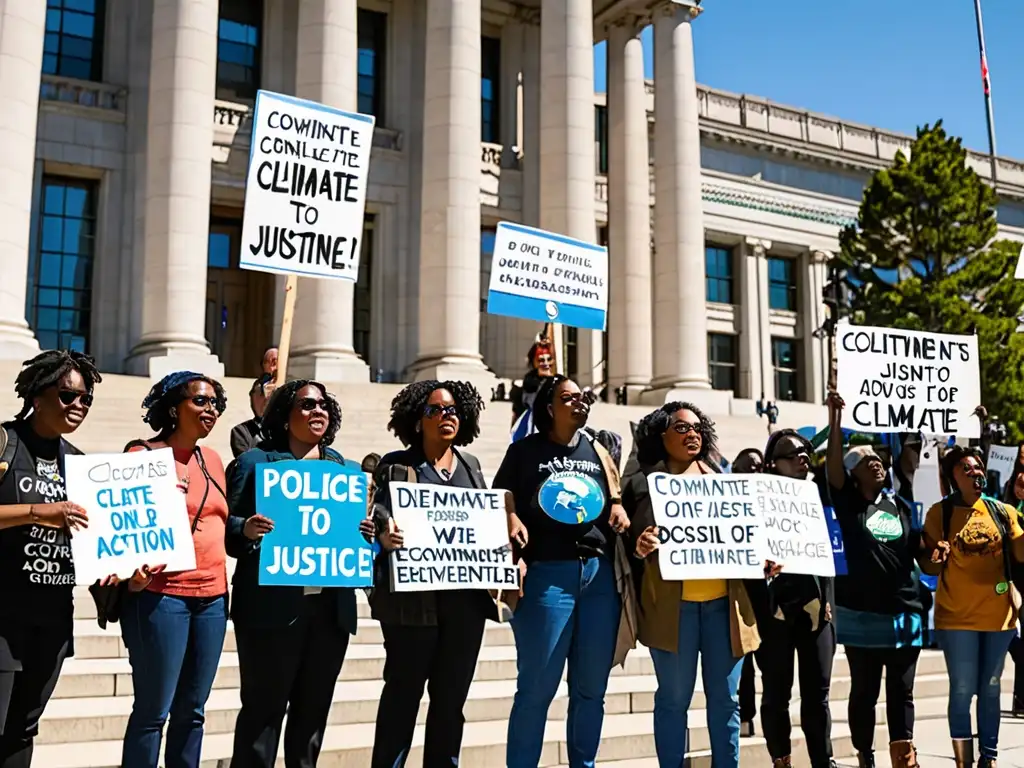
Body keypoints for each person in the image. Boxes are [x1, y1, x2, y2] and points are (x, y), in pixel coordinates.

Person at [493, 375, 636, 768]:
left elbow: (614, 496)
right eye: (568, 398)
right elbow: (502, 494)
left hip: (598, 577)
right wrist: (509, 516)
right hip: (547, 577)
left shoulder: (599, 451)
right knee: (536, 689)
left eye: (583, 397)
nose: (580, 402)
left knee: (591, 690)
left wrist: (618, 506)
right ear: (549, 408)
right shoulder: (523, 451)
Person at [227, 379, 372, 768]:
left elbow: (355, 538)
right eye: (307, 405)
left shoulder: (345, 471)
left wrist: (366, 534)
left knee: (312, 717)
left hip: (329, 613)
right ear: (285, 414)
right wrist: (246, 528)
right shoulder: (255, 463)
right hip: (270, 613)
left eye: (323, 404)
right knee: (263, 712)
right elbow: (228, 533)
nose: (317, 411)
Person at [367, 381, 497, 768]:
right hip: (411, 606)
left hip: (464, 605)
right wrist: (386, 529)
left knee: (450, 702)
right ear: (416, 420)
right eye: (434, 410)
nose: (446, 416)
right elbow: (376, 512)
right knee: (401, 699)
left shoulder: (471, 466)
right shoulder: (396, 465)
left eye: (453, 409)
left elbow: (482, 521)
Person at [623, 405, 761, 768]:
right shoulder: (645, 483)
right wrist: (640, 546)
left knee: (726, 700)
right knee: (672, 699)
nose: (692, 434)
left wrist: (762, 558)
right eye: (681, 427)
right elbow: (629, 543)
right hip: (673, 611)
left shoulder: (723, 480)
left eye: (698, 427)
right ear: (661, 435)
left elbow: (747, 540)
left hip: (724, 609)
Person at [119, 371, 230, 768]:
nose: (210, 409)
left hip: (214, 600)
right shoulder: (142, 455)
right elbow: (121, 526)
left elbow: (220, 522)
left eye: (215, 402)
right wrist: (129, 571)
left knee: (193, 710)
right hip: (161, 598)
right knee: (153, 712)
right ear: (172, 408)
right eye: (200, 401)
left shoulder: (214, 460)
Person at [0, 350, 100, 767]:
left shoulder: (78, 462)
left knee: (23, 730)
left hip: (53, 618)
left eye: (85, 399)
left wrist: (127, 577)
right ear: (37, 396)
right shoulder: (5, 441)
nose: (77, 405)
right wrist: (40, 511)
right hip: (3, 615)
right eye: (66, 395)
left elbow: (93, 545)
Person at [825, 394, 928, 768]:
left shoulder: (899, 503)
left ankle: (904, 756)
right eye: (869, 462)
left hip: (904, 611)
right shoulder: (848, 504)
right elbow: (832, 469)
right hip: (862, 615)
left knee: (902, 690)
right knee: (865, 691)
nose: (878, 465)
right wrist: (835, 419)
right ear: (855, 473)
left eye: (879, 460)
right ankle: (865, 755)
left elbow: (914, 545)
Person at [921, 445, 1024, 768]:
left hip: (999, 618)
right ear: (952, 477)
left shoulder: (1003, 511)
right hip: (956, 618)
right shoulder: (940, 513)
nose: (975, 471)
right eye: (966, 468)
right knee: (963, 689)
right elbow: (929, 568)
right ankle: (964, 761)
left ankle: (988, 759)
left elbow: (1021, 554)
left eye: (978, 467)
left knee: (991, 688)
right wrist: (935, 554)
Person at [747, 429, 836, 768]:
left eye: (805, 451)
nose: (802, 457)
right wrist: (761, 571)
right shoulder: (756, 501)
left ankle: (822, 761)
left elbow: (829, 553)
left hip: (815, 608)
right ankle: (780, 760)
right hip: (774, 612)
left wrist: (826, 597)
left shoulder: (818, 494)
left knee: (818, 696)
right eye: (792, 453)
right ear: (773, 464)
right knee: (776, 695)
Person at [731, 447, 764, 737]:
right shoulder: (726, 502)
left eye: (759, 467)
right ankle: (746, 717)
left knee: (771, 664)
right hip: (739, 593)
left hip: (768, 595)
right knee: (744, 665)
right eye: (748, 467)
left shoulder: (774, 501)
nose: (755, 471)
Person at [229, 378, 269, 458]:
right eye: (261, 393)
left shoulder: (286, 430)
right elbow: (247, 463)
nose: (265, 399)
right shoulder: (241, 431)